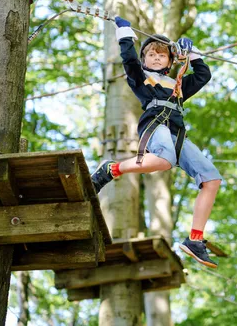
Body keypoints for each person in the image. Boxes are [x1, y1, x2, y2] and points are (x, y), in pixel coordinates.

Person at [91, 16, 222, 268]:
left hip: (176, 134)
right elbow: (129, 59)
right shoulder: (140, 78)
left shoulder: (178, 84)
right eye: (151, 54)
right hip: (155, 126)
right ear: (144, 60)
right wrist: (125, 32)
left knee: (211, 178)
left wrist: (190, 52)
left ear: (171, 61)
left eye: (162, 55)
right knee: (163, 160)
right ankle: (112, 169)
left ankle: (195, 239)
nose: (157, 57)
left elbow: (203, 74)